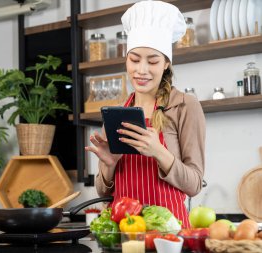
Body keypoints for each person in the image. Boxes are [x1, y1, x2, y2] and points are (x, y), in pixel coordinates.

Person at [85, 0, 206, 228]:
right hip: (125, 230)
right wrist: (109, 165)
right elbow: (103, 192)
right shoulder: (117, 113)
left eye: (152, 61)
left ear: (166, 64)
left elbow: (194, 185)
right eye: (134, 59)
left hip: (170, 233)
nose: (141, 70)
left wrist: (159, 152)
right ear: (126, 60)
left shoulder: (184, 106)